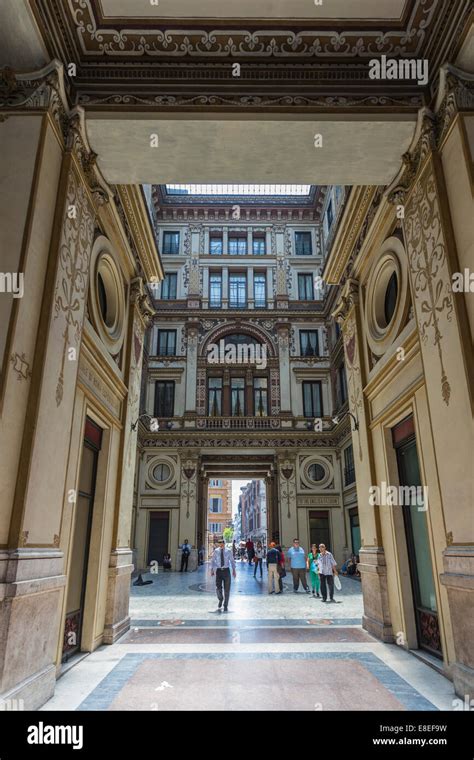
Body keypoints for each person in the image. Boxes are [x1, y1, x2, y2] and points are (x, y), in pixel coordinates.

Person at [210, 538, 236, 612]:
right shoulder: (216, 551)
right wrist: (212, 569)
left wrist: (234, 570)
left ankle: (225, 605)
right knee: (218, 588)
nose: (221, 544)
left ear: (224, 543)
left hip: (226, 571)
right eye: (219, 543)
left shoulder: (228, 551)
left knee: (227, 589)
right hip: (219, 571)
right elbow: (212, 560)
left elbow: (232, 561)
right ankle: (221, 599)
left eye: (222, 543)